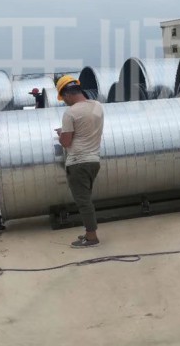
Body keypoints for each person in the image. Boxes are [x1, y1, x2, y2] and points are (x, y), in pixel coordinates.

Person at [54, 75, 104, 248]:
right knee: (86, 199)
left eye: (63, 98)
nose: (65, 102)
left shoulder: (70, 113)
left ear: (67, 94)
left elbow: (66, 142)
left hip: (78, 162)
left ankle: (91, 237)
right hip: (93, 160)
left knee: (83, 202)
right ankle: (89, 233)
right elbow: (88, 127)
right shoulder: (97, 106)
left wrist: (61, 133)